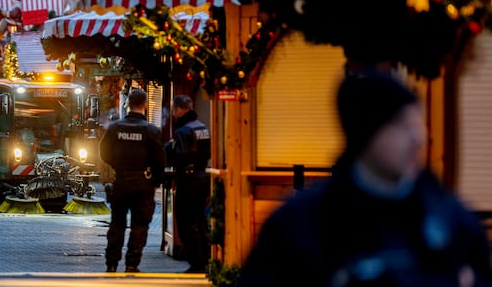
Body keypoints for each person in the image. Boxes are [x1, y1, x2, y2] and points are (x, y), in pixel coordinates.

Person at [236, 69, 492, 287]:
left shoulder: (450, 219)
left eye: (418, 124)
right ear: (365, 134)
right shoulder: (300, 225)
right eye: (402, 126)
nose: (418, 138)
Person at [99, 88, 166, 273]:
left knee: (117, 223)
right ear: (145, 105)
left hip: (121, 180)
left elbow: (104, 152)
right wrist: (155, 182)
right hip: (142, 182)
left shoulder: (115, 128)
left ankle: (111, 263)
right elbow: (160, 159)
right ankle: (132, 264)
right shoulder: (151, 130)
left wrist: (117, 165)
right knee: (140, 225)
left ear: (128, 104)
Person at [166, 94, 211, 273]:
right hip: (203, 177)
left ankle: (196, 262)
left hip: (188, 180)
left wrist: (169, 151)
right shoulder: (203, 127)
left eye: (173, 110)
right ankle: (205, 259)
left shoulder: (183, 131)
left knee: (186, 222)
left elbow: (179, 157)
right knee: (200, 220)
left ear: (178, 109)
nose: (173, 114)